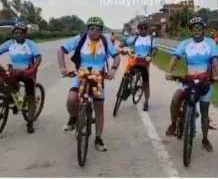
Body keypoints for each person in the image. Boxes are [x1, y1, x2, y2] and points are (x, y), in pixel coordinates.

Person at [57, 16, 120, 152]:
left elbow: (116, 56)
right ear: (87, 29)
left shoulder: (105, 41)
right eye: (92, 28)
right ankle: (73, 118)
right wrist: (63, 68)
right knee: (72, 99)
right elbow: (61, 50)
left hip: (98, 77)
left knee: (98, 106)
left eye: (98, 29)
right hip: (82, 75)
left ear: (102, 31)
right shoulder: (80, 38)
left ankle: (98, 139)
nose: (95, 31)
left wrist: (113, 69)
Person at [165, 17, 218, 152]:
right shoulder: (185, 43)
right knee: (175, 100)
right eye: (193, 28)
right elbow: (175, 57)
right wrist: (169, 71)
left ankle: (205, 138)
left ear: (203, 29)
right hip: (189, 80)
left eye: (199, 27)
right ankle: (173, 124)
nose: (196, 30)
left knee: (204, 111)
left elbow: (215, 61)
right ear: (190, 30)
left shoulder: (210, 43)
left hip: (205, 81)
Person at [0, 22, 42, 134]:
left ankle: (30, 122)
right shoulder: (10, 43)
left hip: (27, 72)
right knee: (4, 83)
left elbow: (38, 57)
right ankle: (10, 98)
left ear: (25, 34)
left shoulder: (30, 44)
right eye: (16, 32)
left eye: (21, 32)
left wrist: (33, 68)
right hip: (14, 72)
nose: (18, 35)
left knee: (30, 96)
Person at [119, 21, 158, 112]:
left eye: (144, 28)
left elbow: (155, 49)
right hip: (136, 60)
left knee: (145, 83)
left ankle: (146, 102)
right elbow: (126, 42)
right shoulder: (135, 38)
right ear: (138, 29)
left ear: (147, 29)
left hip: (145, 61)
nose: (143, 30)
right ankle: (129, 88)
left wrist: (150, 56)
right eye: (141, 28)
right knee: (128, 73)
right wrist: (121, 45)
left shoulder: (151, 39)